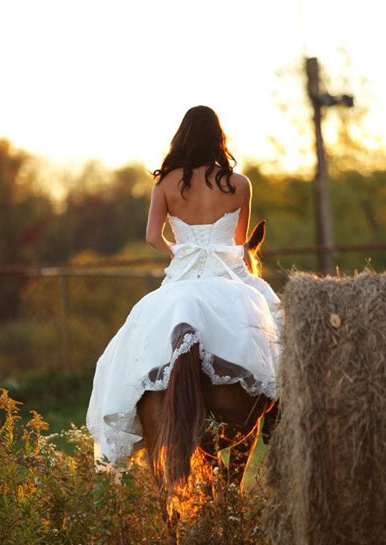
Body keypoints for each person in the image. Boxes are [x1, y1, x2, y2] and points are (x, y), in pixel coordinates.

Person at [86, 105, 284, 468]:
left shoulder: (165, 183)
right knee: (276, 324)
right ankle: (278, 420)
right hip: (228, 274)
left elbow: (151, 237)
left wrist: (180, 250)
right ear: (218, 138)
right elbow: (240, 242)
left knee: (134, 337)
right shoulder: (239, 184)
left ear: (182, 138)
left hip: (184, 273)